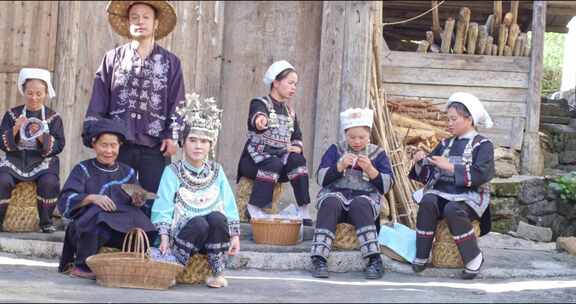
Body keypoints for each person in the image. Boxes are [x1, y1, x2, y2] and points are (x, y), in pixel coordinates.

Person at [85, 0, 185, 217]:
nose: (140, 21)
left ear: (156, 23)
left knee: (154, 199)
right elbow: (99, 98)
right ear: (128, 23)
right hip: (119, 144)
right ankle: (115, 242)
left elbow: (178, 101)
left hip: (155, 144)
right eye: (134, 17)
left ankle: (151, 244)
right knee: (115, 194)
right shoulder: (112, 58)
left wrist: (172, 135)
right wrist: (95, 134)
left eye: (146, 17)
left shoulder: (171, 62)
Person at [152, 93, 241, 288]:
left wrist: (234, 235)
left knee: (217, 218)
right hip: (184, 236)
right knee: (200, 223)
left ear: (211, 145)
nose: (198, 146)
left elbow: (229, 204)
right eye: (192, 140)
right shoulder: (172, 172)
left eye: (204, 141)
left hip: (211, 238)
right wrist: (164, 237)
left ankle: (217, 271)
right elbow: (163, 205)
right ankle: (174, 269)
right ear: (183, 143)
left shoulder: (217, 171)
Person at [409, 92, 495, 280]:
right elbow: (429, 173)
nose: (449, 123)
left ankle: (474, 257)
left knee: (452, 208)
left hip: (471, 196)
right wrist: (420, 162)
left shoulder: (483, 145)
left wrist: (450, 167)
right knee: (428, 200)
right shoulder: (445, 143)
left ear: (469, 119)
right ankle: (422, 254)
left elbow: (482, 174)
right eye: (448, 119)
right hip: (443, 191)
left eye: (453, 119)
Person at [57, 117, 156, 279]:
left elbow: (139, 204)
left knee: (139, 219)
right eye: (104, 145)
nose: (109, 151)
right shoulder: (83, 169)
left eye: (113, 145)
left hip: (119, 231)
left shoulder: (128, 172)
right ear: (94, 144)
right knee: (98, 213)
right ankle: (82, 266)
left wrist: (138, 201)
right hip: (88, 231)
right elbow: (65, 200)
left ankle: (133, 266)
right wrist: (91, 198)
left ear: (120, 146)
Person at [310, 108, 394, 280]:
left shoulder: (378, 153)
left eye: (361, 137)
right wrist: (339, 166)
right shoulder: (336, 149)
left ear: (369, 136)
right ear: (345, 135)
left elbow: (387, 185)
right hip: (337, 197)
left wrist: (371, 169)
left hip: (365, 200)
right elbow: (320, 177)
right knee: (330, 202)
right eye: (352, 137)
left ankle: (374, 259)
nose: (356, 141)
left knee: (360, 203)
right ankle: (319, 258)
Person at [236, 60, 311, 224]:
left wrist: (296, 147)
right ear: (276, 83)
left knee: (298, 160)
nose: (294, 87)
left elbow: (297, 136)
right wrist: (260, 121)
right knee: (274, 163)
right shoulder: (259, 103)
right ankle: (254, 208)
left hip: (279, 162)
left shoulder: (290, 112)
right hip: (254, 162)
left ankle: (304, 209)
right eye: (290, 83)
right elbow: (257, 115)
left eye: (295, 84)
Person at [0, 68, 65, 233]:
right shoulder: (12, 114)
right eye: (29, 93)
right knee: (3, 180)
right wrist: (15, 129)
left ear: (45, 93)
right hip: (15, 158)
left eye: (39, 93)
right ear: (23, 91)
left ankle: (46, 222)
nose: (34, 98)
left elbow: (59, 145)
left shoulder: (53, 117)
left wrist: (41, 135)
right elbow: (1, 142)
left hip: (41, 160)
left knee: (50, 182)